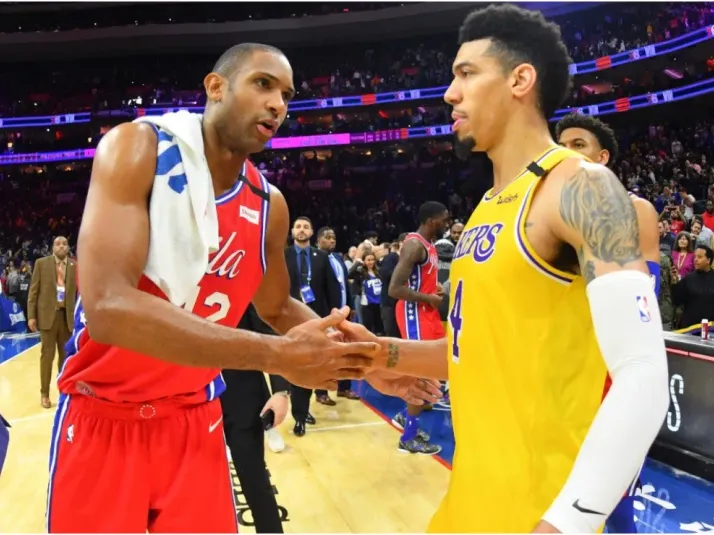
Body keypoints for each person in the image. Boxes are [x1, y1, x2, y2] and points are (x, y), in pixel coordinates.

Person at [46, 43, 432, 533]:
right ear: (216, 87)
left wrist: (363, 363)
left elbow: (277, 307)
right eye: (263, 84)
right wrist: (277, 356)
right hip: (103, 414)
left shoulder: (269, 204)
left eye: (287, 95)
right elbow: (107, 306)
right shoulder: (138, 148)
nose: (277, 104)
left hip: (194, 416)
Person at [340, 6, 669, 532]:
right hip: (469, 502)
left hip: (541, 513)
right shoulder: (488, 207)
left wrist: (567, 523)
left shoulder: (580, 185)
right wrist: (380, 352)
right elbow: (473, 354)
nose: (450, 93)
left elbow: (643, 373)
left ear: (520, 79)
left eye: (466, 73)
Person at [556, 113, 662, 296]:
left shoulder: (637, 209)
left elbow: (648, 288)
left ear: (602, 157)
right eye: (561, 147)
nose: (566, 153)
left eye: (578, 145)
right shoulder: (546, 209)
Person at [221, 304, 292, 533]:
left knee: (254, 480)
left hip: (242, 394)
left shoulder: (241, 284)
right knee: (198, 487)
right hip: (187, 401)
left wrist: (281, 391)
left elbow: (269, 332)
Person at [387, 201, 449, 455]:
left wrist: (434, 290)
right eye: (444, 219)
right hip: (414, 313)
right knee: (422, 373)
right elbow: (395, 289)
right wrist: (428, 298)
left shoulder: (430, 246)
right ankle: (408, 438)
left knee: (437, 365)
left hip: (426, 311)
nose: (447, 223)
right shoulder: (414, 245)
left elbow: (419, 282)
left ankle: (406, 416)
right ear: (431, 221)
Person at [284, 216, 342, 435]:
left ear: (311, 232)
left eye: (306, 227)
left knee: (311, 364)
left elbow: (332, 288)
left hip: (318, 319)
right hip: (289, 319)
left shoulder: (322, 257)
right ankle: (299, 414)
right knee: (296, 365)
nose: (302, 230)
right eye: (298, 226)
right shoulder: (283, 256)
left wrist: (336, 317)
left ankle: (303, 410)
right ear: (292, 231)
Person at [27, 236, 77, 409]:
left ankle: (64, 392)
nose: (61, 246)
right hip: (48, 317)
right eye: (57, 244)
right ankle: (45, 393)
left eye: (64, 244)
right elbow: (33, 292)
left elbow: (80, 293)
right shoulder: (41, 264)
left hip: (67, 318)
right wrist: (31, 316)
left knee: (66, 358)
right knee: (47, 357)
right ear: (52, 248)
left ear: (68, 247)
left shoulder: (75, 266)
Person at [317, 226, 360, 400]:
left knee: (345, 349)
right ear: (318, 240)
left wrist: (351, 305)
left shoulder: (337, 257)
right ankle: (321, 391)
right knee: (324, 352)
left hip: (343, 311)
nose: (332, 240)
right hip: (327, 312)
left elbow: (345, 284)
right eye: (327, 237)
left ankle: (344, 387)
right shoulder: (315, 258)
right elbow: (319, 289)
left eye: (333, 237)